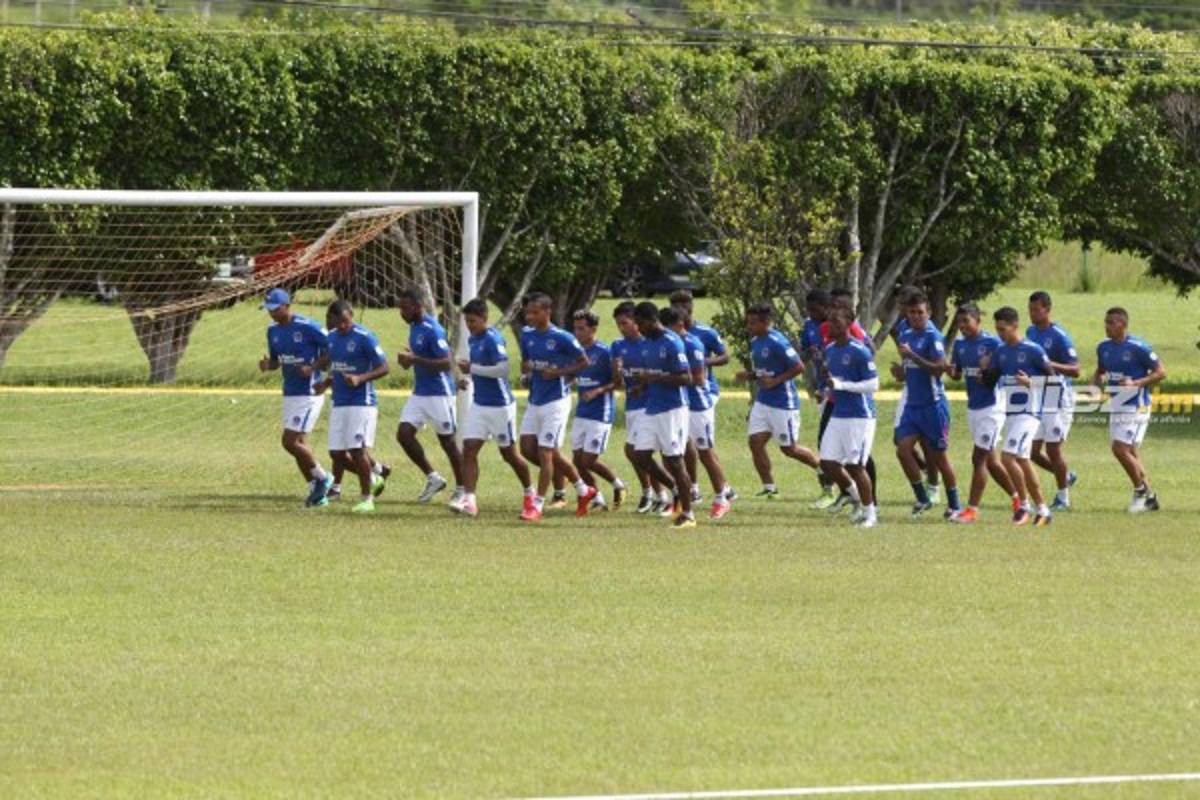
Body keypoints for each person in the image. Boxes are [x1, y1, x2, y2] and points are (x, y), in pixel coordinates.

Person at [518, 292, 597, 521]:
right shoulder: (527, 336)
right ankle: (584, 490)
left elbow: (584, 361)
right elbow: (525, 361)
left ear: (547, 312)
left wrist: (559, 373)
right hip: (535, 400)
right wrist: (527, 372)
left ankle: (537, 505)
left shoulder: (562, 337)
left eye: (534, 312)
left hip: (556, 402)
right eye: (528, 312)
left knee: (545, 452)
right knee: (527, 448)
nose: (530, 316)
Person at [455, 298, 533, 518]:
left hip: (500, 406)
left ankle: (530, 493)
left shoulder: (492, 338)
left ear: (484, 319)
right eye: (467, 321)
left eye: (473, 321)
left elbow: (503, 370)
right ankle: (470, 501)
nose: (470, 325)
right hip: (480, 404)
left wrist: (472, 368)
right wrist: (467, 377)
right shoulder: (473, 339)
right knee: (469, 448)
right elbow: (481, 370)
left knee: (509, 455)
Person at [257, 288, 333, 507]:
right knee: (299, 443)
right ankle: (316, 492)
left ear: (287, 306)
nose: (271, 314)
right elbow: (275, 360)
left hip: (309, 393)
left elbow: (332, 349)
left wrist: (315, 367)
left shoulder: (307, 327)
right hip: (290, 392)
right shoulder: (272, 331)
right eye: (268, 310)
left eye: (275, 309)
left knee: (289, 441)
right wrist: (267, 366)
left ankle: (322, 478)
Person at [737, 303, 820, 497]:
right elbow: (765, 370)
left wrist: (776, 381)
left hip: (783, 402)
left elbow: (798, 366)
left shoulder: (778, 341)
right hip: (763, 401)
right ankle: (769, 488)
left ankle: (823, 468)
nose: (749, 326)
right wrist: (749, 375)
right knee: (755, 442)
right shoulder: (756, 340)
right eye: (747, 322)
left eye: (753, 323)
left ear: (766, 322)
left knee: (789, 449)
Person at [945, 303, 1018, 524]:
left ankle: (972, 511)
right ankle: (1020, 500)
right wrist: (950, 370)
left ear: (978, 320)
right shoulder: (959, 345)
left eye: (966, 321)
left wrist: (988, 371)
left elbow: (1006, 370)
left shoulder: (992, 344)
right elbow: (958, 374)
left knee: (978, 458)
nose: (962, 326)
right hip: (974, 408)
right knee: (992, 463)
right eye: (959, 322)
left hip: (993, 407)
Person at [892, 291, 961, 518]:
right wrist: (900, 372)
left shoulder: (933, 336)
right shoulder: (906, 332)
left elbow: (939, 368)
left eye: (920, 312)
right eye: (912, 312)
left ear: (928, 312)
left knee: (939, 457)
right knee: (903, 450)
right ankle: (922, 499)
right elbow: (908, 370)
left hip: (933, 406)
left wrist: (912, 357)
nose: (916, 316)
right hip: (913, 405)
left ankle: (954, 506)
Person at [395, 289, 466, 508]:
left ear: (418, 307)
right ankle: (433, 477)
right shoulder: (414, 327)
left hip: (439, 393)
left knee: (448, 443)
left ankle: (463, 490)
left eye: (405, 308)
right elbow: (422, 358)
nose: (401, 312)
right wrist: (409, 361)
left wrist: (414, 358)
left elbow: (446, 362)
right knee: (404, 434)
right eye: (400, 308)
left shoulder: (433, 329)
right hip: (420, 393)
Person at [320, 299, 390, 514]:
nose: (343, 326)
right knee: (336, 453)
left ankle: (367, 498)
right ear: (331, 320)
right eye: (338, 322)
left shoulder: (365, 337)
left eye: (346, 321)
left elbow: (384, 367)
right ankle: (373, 476)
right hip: (339, 401)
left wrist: (361, 378)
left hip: (362, 402)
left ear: (351, 316)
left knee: (357, 450)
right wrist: (325, 382)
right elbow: (336, 365)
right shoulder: (331, 338)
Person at [630, 301, 696, 528]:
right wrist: (643, 386)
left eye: (640, 323)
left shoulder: (672, 342)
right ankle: (676, 489)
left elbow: (686, 378)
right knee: (640, 455)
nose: (638, 328)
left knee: (674, 460)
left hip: (673, 409)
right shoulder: (647, 343)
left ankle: (688, 513)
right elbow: (654, 375)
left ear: (650, 320)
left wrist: (653, 378)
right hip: (652, 407)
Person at [986, 306, 1053, 527]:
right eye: (997, 329)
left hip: (1029, 414)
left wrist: (1031, 383)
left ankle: (1023, 506)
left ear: (1015, 326)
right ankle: (1043, 509)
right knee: (1023, 461)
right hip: (1011, 415)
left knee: (1007, 457)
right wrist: (983, 370)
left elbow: (1054, 383)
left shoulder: (1033, 350)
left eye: (1003, 329)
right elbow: (989, 381)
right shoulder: (1001, 352)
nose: (1000, 334)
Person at [1094, 307, 1166, 513]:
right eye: (1105, 322)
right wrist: (1096, 383)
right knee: (1131, 452)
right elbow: (1100, 372)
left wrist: (1137, 383)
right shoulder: (1103, 347)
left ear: (1123, 325)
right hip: (1117, 404)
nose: (1106, 326)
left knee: (1119, 449)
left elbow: (1161, 372)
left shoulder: (1138, 347)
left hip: (1136, 405)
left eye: (1111, 323)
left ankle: (1140, 492)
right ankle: (1150, 498)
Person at [664, 306, 733, 520]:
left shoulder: (692, 344)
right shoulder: (669, 343)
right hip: (680, 405)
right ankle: (683, 495)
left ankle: (722, 496)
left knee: (705, 451)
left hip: (698, 404)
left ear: (679, 325)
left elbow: (700, 378)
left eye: (668, 328)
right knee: (676, 451)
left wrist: (666, 378)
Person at [817, 291, 880, 514]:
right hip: (839, 414)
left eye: (836, 321)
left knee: (855, 465)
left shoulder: (860, 351)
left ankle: (870, 513)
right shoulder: (831, 350)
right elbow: (836, 380)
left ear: (849, 323)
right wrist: (825, 391)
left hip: (859, 416)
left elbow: (873, 385)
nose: (830, 325)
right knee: (827, 462)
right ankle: (856, 497)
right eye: (829, 320)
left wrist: (842, 386)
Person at [611, 301, 667, 513]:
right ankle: (649, 493)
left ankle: (663, 494)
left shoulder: (648, 343)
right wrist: (617, 371)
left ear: (636, 322)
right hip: (632, 406)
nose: (621, 328)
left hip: (649, 405)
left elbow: (656, 374)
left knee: (637, 450)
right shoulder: (618, 346)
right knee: (636, 452)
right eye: (618, 324)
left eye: (625, 323)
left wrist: (642, 385)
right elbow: (617, 382)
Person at [1026, 291, 1080, 510]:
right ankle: (1066, 476)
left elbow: (1076, 370)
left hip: (1058, 395)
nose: (1032, 314)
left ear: (1047, 310)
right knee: (1031, 451)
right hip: (1039, 395)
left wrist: (1050, 363)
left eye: (1036, 310)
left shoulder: (1059, 336)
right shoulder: (1030, 332)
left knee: (1053, 449)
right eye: (1030, 309)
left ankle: (1063, 498)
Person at [570, 309, 627, 512]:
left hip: (600, 411)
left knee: (588, 459)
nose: (577, 332)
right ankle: (597, 497)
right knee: (577, 460)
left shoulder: (604, 352)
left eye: (581, 328)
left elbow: (618, 383)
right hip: (582, 411)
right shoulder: (576, 351)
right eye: (575, 328)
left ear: (593, 329)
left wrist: (598, 391)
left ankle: (618, 484)